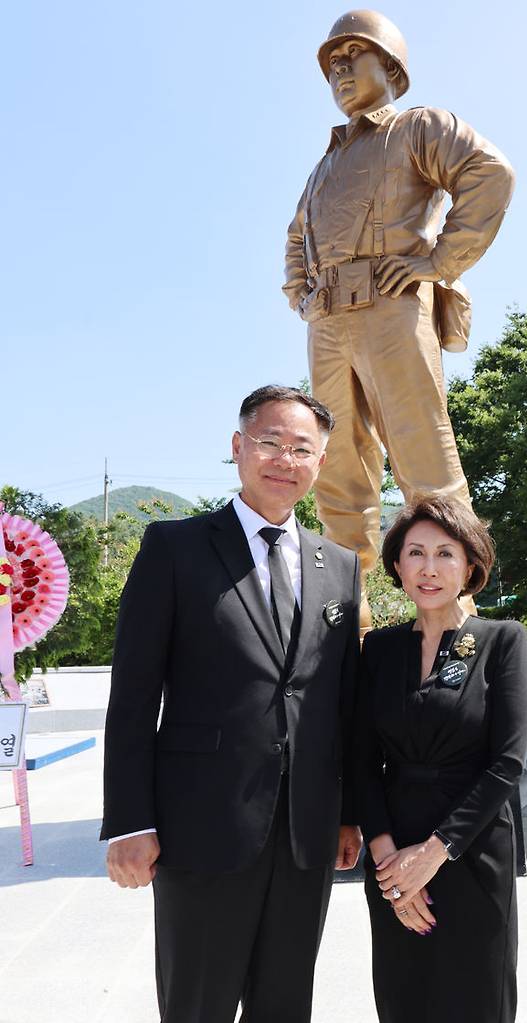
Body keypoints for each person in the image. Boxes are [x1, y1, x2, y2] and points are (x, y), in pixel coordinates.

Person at [101, 384, 362, 1023]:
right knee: (196, 1004)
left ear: (321, 463)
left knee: (285, 1003)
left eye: (301, 449)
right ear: (238, 447)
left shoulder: (342, 566)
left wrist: (348, 812)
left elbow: (341, 703)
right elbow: (133, 695)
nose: (283, 459)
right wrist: (130, 821)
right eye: (269, 442)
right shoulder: (174, 547)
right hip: (201, 828)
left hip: (305, 833)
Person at [283, 10, 515, 629]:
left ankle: (457, 629)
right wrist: (302, 295)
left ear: (390, 67)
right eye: (331, 64)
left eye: (351, 57)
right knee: (336, 475)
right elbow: (295, 238)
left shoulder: (419, 128)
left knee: (425, 465)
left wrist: (437, 261)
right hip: (329, 321)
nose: (338, 71)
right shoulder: (324, 164)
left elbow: (490, 174)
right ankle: (341, 634)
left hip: (393, 308)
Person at [355, 496, 527, 1022]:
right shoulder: (379, 649)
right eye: (415, 553)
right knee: (402, 996)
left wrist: (434, 853)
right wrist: (389, 864)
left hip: (472, 850)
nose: (429, 568)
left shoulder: (502, 641)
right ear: (397, 566)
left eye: (445, 554)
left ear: (470, 565)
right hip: (392, 851)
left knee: (477, 998)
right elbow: (361, 759)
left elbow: (507, 763)